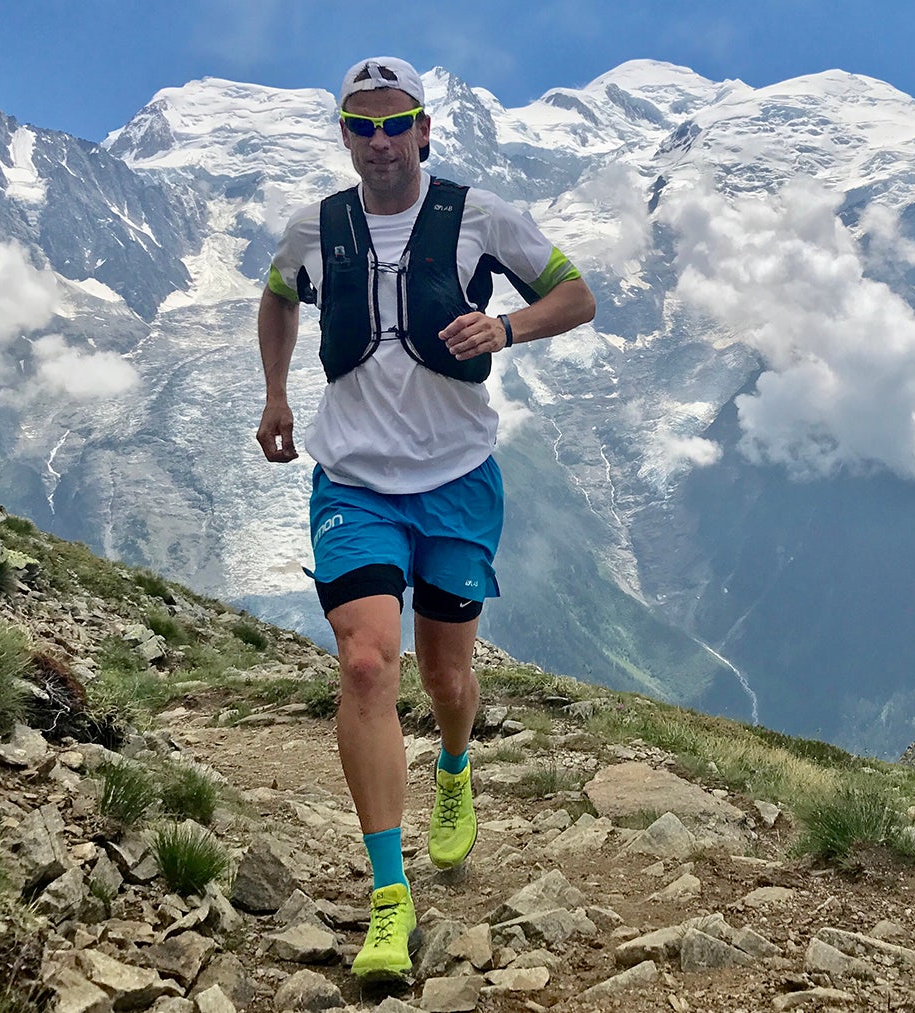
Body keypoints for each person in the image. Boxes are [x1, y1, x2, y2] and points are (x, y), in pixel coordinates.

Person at [255, 56, 596, 983]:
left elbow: (577, 293)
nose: (377, 141)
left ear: (423, 129)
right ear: (343, 134)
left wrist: (510, 327)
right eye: (359, 126)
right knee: (367, 662)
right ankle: (388, 892)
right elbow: (279, 297)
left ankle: (453, 765)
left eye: (393, 122)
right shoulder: (313, 229)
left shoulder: (479, 215)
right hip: (353, 480)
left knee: (447, 674)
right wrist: (278, 394)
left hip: (457, 478)